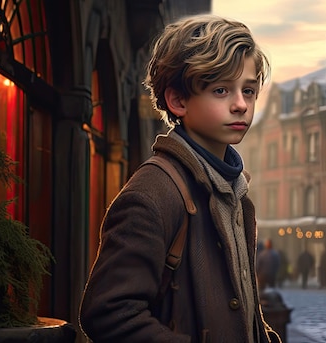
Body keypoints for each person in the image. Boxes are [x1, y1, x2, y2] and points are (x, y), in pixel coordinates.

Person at [79, 14, 280, 342]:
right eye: (221, 90)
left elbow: (242, 312)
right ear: (178, 100)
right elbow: (107, 312)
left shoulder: (237, 196)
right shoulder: (152, 194)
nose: (241, 105)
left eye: (249, 90)